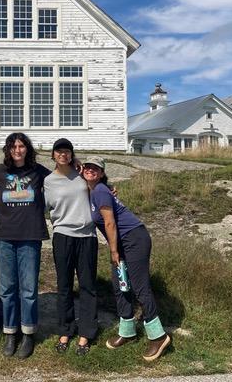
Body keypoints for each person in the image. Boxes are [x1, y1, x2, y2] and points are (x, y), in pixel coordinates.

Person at [83, 155, 171, 362]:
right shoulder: (93, 190)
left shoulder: (101, 191)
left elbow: (110, 223)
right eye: (87, 167)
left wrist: (114, 251)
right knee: (120, 285)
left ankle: (158, 336)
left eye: (96, 168)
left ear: (102, 173)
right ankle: (128, 331)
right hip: (121, 243)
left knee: (140, 287)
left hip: (133, 238)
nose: (91, 170)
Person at [0, 133, 50, 358]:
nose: (17, 149)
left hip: (30, 236)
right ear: (8, 149)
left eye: (21, 145)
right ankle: (10, 332)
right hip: (4, 236)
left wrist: (77, 166)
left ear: (27, 148)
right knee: (7, 289)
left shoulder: (38, 171)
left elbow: (61, 180)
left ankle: (28, 333)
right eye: (13, 146)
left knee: (28, 288)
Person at [44, 138, 98, 356]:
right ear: (53, 155)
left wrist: (111, 189)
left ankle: (86, 333)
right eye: (59, 151)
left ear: (72, 154)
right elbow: (43, 207)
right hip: (63, 236)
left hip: (87, 236)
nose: (63, 155)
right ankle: (66, 330)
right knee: (64, 285)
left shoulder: (82, 174)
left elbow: (99, 184)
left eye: (67, 151)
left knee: (87, 285)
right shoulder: (48, 181)